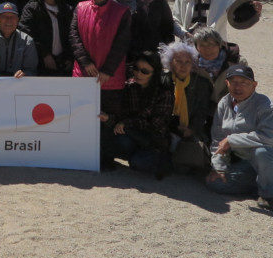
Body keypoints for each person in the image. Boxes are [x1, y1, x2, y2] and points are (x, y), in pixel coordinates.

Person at [206, 65, 273, 212]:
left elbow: (267, 139)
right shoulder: (224, 103)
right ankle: (264, 182)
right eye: (233, 82)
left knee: (261, 152)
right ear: (226, 83)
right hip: (247, 162)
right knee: (215, 184)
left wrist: (231, 140)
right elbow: (218, 139)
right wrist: (219, 167)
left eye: (244, 83)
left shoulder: (266, 106)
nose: (238, 87)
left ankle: (269, 194)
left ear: (254, 85)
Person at [69, 0, 131, 128]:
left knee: (107, 121)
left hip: (111, 78)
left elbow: (121, 44)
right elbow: (74, 37)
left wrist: (107, 71)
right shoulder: (80, 8)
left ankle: (106, 154)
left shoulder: (122, 12)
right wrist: (86, 63)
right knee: (82, 119)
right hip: (84, 73)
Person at [103, 50, 173, 177]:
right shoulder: (129, 86)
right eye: (136, 68)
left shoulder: (164, 93)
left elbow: (156, 125)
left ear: (155, 73)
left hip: (152, 139)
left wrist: (127, 123)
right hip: (132, 134)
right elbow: (120, 115)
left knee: (138, 164)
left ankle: (162, 158)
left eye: (145, 71)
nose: (138, 73)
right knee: (115, 139)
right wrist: (108, 118)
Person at [161, 40, 214, 173]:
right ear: (170, 63)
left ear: (193, 64)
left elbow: (202, 111)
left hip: (191, 129)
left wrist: (192, 128)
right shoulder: (163, 81)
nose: (183, 66)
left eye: (187, 62)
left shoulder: (201, 84)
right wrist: (174, 127)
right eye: (178, 61)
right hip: (166, 128)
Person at [19, 0, 73, 76]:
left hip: (63, 63)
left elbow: (72, 35)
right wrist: (45, 54)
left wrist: (69, 57)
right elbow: (26, 32)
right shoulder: (32, 8)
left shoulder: (66, 9)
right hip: (39, 63)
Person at [0, 3, 38, 78]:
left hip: (18, 86)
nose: (9, 20)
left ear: (17, 20)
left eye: (12, 17)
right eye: (4, 17)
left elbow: (32, 71)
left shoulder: (27, 41)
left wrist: (25, 74)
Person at [192, 27, 246, 103]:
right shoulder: (192, 64)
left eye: (211, 44)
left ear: (220, 45)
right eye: (202, 45)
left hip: (228, 106)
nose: (207, 49)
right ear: (196, 48)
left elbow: (245, 90)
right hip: (201, 107)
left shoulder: (237, 63)